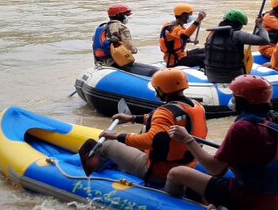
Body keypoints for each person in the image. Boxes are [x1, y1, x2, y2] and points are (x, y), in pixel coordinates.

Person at [163, 74, 278, 210]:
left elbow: (215, 169)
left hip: (247, 200)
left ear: (243, 101)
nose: (232, 100)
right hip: (277, 197)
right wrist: (272, 174)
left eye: (234, 97)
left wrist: (188, 140)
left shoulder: (242, 128)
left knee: (177, 173)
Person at [79, 68, 208, 185]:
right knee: (144, 130)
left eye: (157, 89)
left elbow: (151, 140)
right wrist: (133, 118)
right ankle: (122, 164)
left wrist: (117, 136)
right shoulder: (196, 106)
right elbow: (162, 119)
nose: (156, 92)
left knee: (107, 144)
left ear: (162, 90)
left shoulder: (165, 112)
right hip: (187, 165)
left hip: (159, 172)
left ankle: (95, 175)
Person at [203, 9, 270, 84]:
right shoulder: (237, 35)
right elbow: (265, 40)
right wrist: (260, 25)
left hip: (211, 76)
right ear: (239, 24)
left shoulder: (212, 33)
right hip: (233, 77)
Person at [160, 4, 207, 68]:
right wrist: (198, 20)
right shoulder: (172, 28)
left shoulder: (179, 25)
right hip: (176, 61)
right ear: (183, 16)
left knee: (205, 50)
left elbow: (178, 39)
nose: (191, 16)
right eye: (190, 14)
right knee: (204, 57)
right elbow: (184, 36)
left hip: (181, 55)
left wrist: (190, 41)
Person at [93, 3, 138, 69]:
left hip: (102, 62)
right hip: (117, 62)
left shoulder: (102, 27)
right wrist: (134, 50)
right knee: (152, 71)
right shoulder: (121, 27)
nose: (127, 17)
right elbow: (131, 48)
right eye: (126, 15)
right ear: (120, 15)